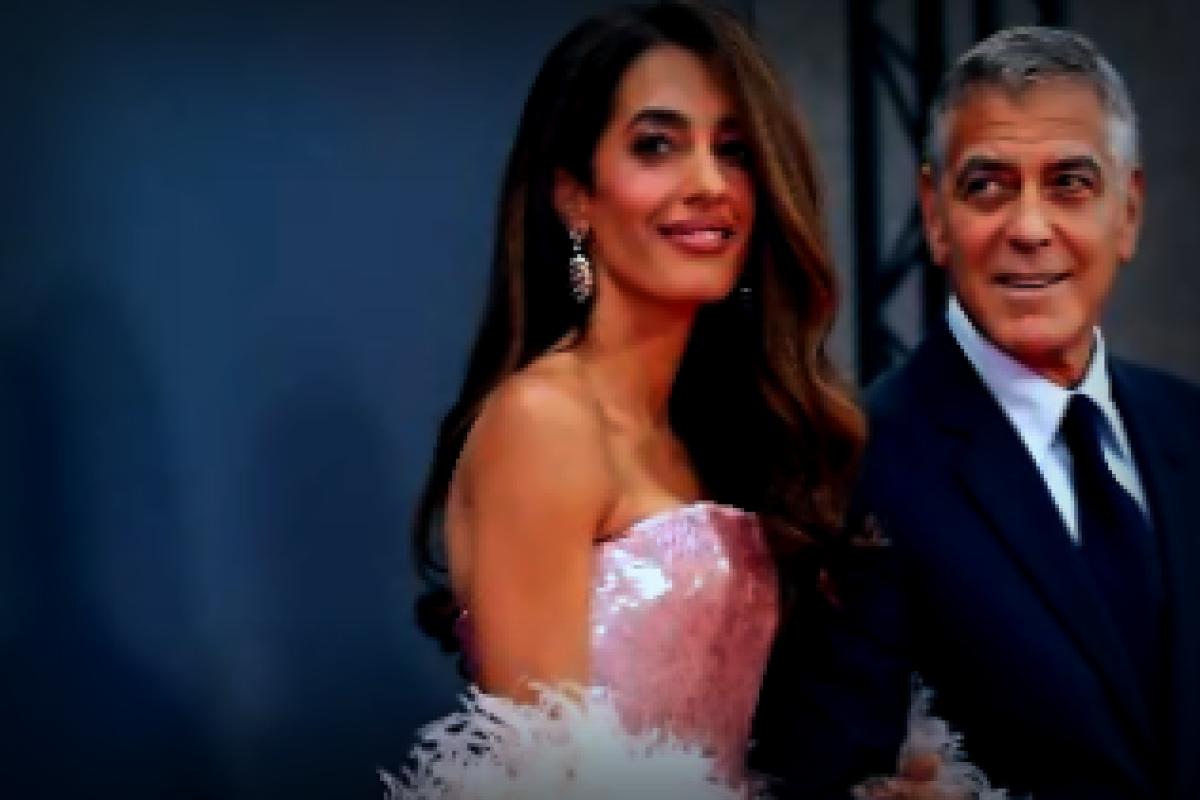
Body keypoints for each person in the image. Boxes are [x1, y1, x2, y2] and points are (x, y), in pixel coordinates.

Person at [397, 3, 865, 796]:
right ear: (574, 196)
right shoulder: (544, 422)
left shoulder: (711, 428)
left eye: (734, 151)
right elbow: (546, 779)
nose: (709, 184)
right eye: (656, 145)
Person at [752, 25, 1200, 800]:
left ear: (1127, 212)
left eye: (1069, 183)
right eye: (987, 186)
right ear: (934, 215)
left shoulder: (1188, 426)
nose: (1028, 228)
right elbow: (818, 778)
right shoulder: (853, 466)